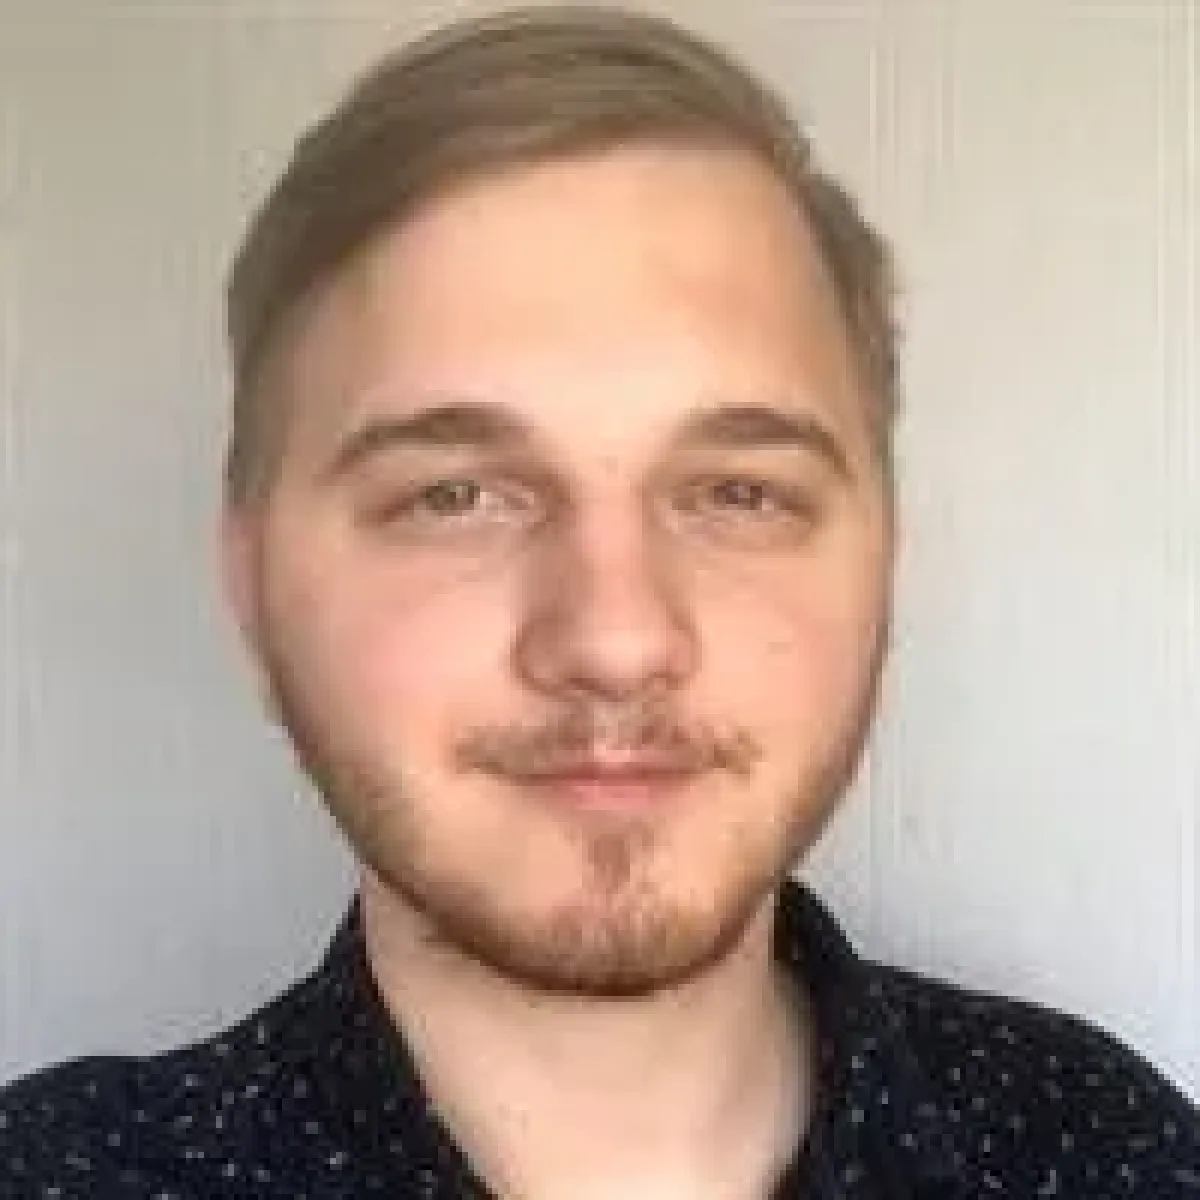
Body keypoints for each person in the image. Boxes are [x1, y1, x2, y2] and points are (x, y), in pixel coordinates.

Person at [2, 6, 1197, 1197]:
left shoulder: (1109, 1148)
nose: (618, 642)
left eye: (738, 493)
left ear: (886, 560)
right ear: (254, 597)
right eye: (457, 496)